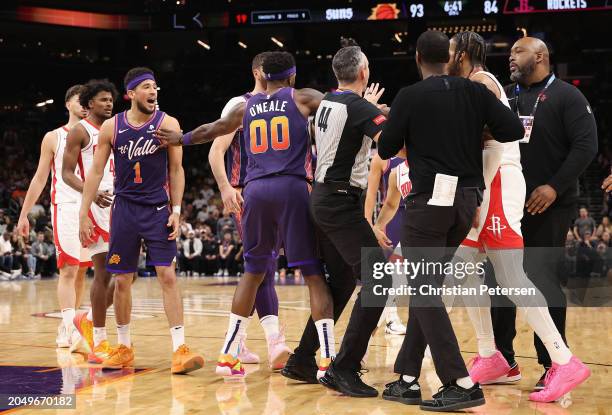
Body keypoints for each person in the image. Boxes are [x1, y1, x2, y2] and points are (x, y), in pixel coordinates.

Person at [155, 51, 334, 380]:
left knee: (253, 272)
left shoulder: (245, 107)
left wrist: (181, 139)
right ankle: (327, 358)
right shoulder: (303, 97)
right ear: (292, 76)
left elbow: (213, 129)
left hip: (255, 191)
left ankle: (227, 355)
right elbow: (340, 109)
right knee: (311, 272)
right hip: (291, 188)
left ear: (263, 76)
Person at [436, 31, 589, 403]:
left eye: (451, 51)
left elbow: (491, 147)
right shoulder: (476, 83)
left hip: (498, 183)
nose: (446, 56)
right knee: (465, 267)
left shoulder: (481, 83)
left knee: (511, 276)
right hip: (486, 185)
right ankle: (491, 354)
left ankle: (563, 359)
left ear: (464, 54)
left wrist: (474, 195)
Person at [376, 30, 525, 411]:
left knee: (423, 291)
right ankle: (408, 378)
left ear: (418, 59)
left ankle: (459, 382)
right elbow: (511, 129)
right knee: (429, 289)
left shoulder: (410, 96)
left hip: (430, 204)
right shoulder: (474, 92)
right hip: (467, 204)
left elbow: (386, 147)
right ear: (449, 57)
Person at [79, 67, 204, 374]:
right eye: (147, 87)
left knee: (168, 276)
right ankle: (123, 347)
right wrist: (83, 212)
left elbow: (176, 170)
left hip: (158, 209)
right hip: (124, 210)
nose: (153, 92)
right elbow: (95, 171)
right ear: (131, 94)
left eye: (156, 88)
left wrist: (176, 210)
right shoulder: (112, 126)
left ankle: (179, 349)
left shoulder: (168, 124)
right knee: (122, 279)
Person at [491, 36, 598, 395]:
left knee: (541, 278)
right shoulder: (506, 96)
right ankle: (503, 360)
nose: (510, 57)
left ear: (540, 56)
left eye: (517, 51)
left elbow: (587, 146)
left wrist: (553, 186)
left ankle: (554, 363)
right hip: (509, 203)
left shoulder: (568, 96)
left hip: (550, 203)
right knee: (499, 281)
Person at [285, 44, 389, 395]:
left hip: (324, 198)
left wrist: (374, 112)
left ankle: (301, 359)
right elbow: (391, 145)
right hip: (340, 202)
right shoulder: (359, 107)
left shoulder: (328, 101)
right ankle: (343, 367)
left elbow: (360, 123)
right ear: (363, 73)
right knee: (379, 281)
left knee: (343, 282)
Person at [207, 52, 291, 368]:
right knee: (263, 266)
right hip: (247, 194)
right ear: (257, 71)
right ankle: (274, 342)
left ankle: (238, 344)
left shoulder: (287, 102)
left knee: (260, 268)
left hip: (279, 194)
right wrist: (226, 188)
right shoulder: (239, 104)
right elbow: (217, 152)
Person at [16, 85, 91, 348]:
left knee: (82, 270)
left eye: (88, 101)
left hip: (94, 207)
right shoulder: (53, 137)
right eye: (80, 100)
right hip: (67, 206)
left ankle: (67, 324)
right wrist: (24, 214)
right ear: (68, 103)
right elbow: (39, 178)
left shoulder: (99, 133)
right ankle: (71, 328)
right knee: (69, 269)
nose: (84, 105)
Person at [62, 79, 118, 360]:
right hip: (94, 206)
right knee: (103, 271)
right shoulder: (79, 131)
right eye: (103, 99)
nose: (108, 103)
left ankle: (86, 320)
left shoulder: (116, 128)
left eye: (111, 99)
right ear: (89, 103)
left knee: (125, 277)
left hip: (119, 204)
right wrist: (91, 194)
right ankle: (99, 339)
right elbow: (67, 174)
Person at [364, 152, 407, 335]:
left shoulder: (418, 147)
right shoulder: (380, 158)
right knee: (393, 271)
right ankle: (391, 318)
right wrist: (368, 224)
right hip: (393, 216)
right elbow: (371, 194)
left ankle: (380, 321)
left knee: (407, 274)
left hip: (418, 211)